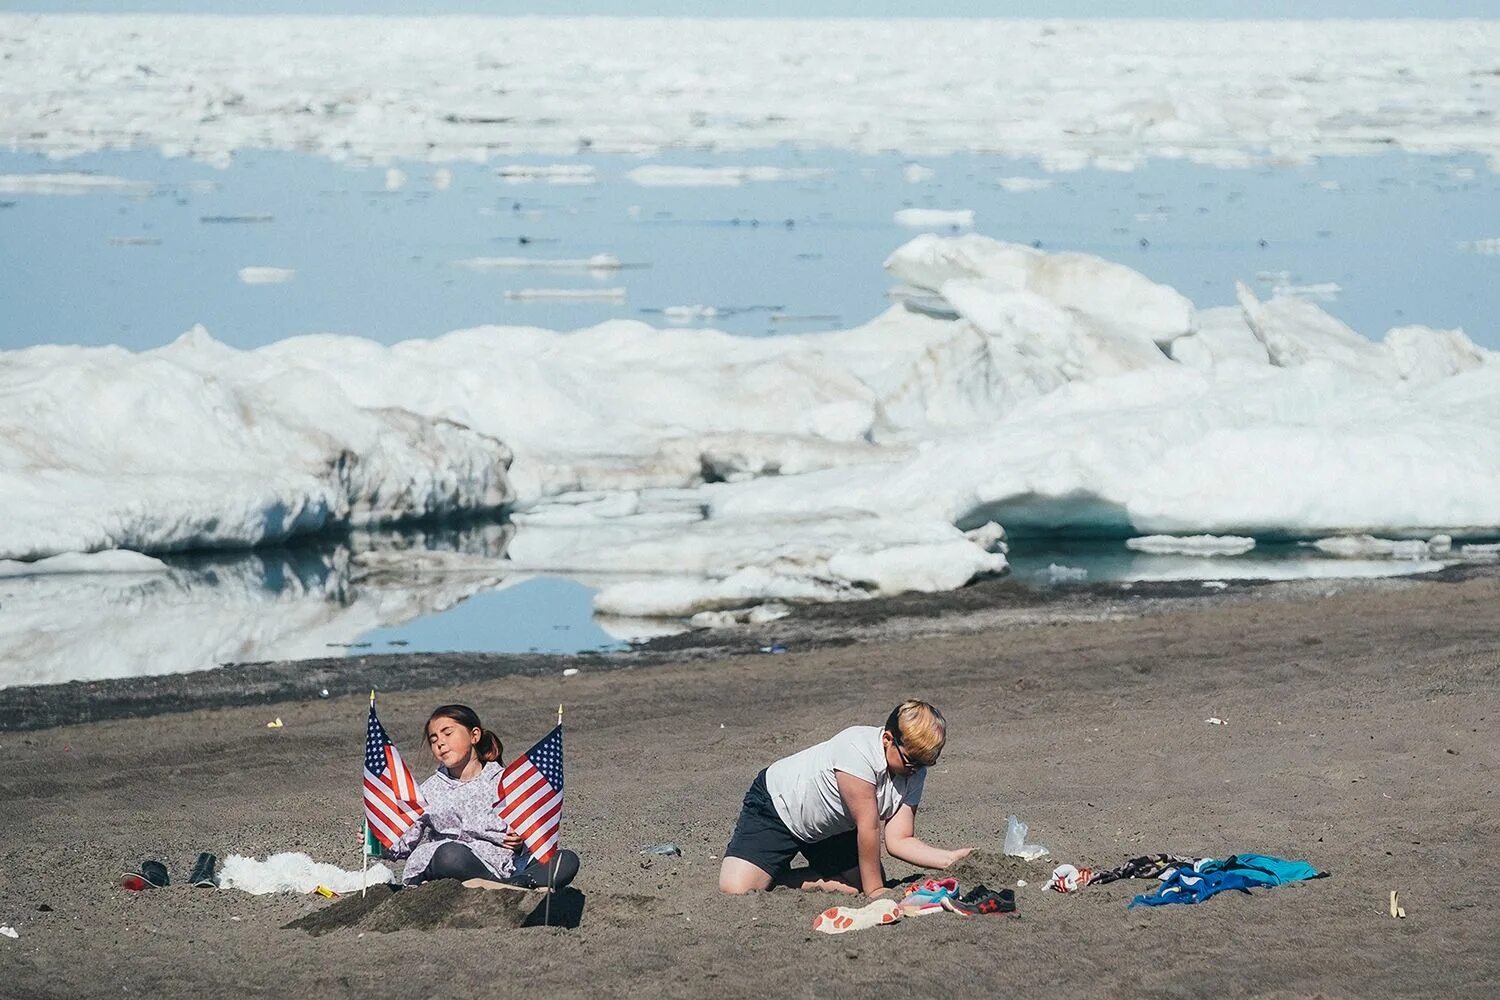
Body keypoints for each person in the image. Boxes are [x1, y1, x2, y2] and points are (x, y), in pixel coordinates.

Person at [718, 699, 972, 895]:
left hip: (830, 828)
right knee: (736, 889)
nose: (915, 770)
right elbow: (868, 827)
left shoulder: (914, 771)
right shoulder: (857, 750)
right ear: (887, 739)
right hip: (779, 807)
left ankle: (779, 878)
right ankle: (764, 871)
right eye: (910, 761)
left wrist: (949, 859)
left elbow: (899, 839)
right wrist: (876, 893)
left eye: (925, 763)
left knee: (856, 885)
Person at [384, 704, 579, 890]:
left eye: (448, 733)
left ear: (474, 735)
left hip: (505, 866)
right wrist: (378, 838)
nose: (440, 743)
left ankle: (516, 884)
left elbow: (532, 832)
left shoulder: (506, 781)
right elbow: (402, 843)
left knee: (566, 859)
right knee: (449, 854)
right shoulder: (427, 790)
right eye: (433, 739)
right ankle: (500, 886)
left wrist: (521, 841)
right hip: (456, 863)